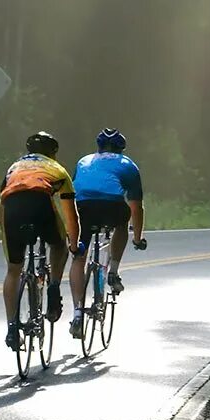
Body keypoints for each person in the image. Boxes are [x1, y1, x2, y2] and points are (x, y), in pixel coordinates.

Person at [0, 131, 78, 351]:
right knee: (59, 245)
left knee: (13, 270)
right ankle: (53, 288)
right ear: (53, 153)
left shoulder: (14, 167)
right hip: (40, 204)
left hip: (11, 209)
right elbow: (70, 214)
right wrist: (73, 244)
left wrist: (6, 233)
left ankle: (12, 327)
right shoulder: (58, 169)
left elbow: (2, 205)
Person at [69, 128, 147, 339]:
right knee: (122, 224)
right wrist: (138, 238)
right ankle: (113, 271)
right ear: (121, 149)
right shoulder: (127, 164)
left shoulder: (84, 161)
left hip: (82, 208)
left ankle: (77, 313)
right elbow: (136, 207)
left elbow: (74, 190)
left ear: (99, 147)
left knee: (78, 258)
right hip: (112, 207)